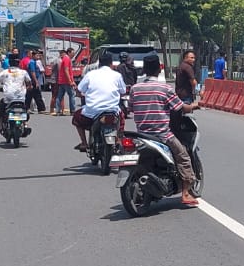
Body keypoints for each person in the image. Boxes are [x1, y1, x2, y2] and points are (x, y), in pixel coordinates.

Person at [127, 54, 199, 205]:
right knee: (184, 156)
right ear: (160, 69)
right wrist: (193, 106)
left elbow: (131, 108)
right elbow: (180, 108)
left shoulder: (135, 88)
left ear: (144, 70)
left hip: (141, 135)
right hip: (162, 135)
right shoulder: (165, 88)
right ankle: (186, 193)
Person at [74, 49, 126, 152]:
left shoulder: (90, 75)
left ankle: (84, 143)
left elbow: (80, 89)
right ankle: (119, 140)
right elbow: (123, 91)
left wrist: (81, 95)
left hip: (92, 112)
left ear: (99, 64)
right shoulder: (117, 75)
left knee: (76, 118)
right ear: (111, 64)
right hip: (113, 111)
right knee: (122, 118)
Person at [0, 53, 32, 132]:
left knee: (1, 106)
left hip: (8, 97)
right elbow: (29, 83)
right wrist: (27, 88)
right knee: (25, 108)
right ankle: (25, 123)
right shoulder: (23, 72)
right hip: (21, 96)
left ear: (9, 63)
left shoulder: (4, 72)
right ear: (18, 63)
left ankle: (0, 125)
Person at [52, 49, 76, 116]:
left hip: (62, 81)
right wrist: (70, 81)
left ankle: (58, 111)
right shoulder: (67, 59)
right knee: (72, 95)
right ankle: (72, 110)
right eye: (72, 53)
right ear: (68, 53)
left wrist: (72, 81)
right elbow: (66, 70)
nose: (73, 54)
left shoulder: (65, 59)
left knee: (59, 96)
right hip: (66, 81)